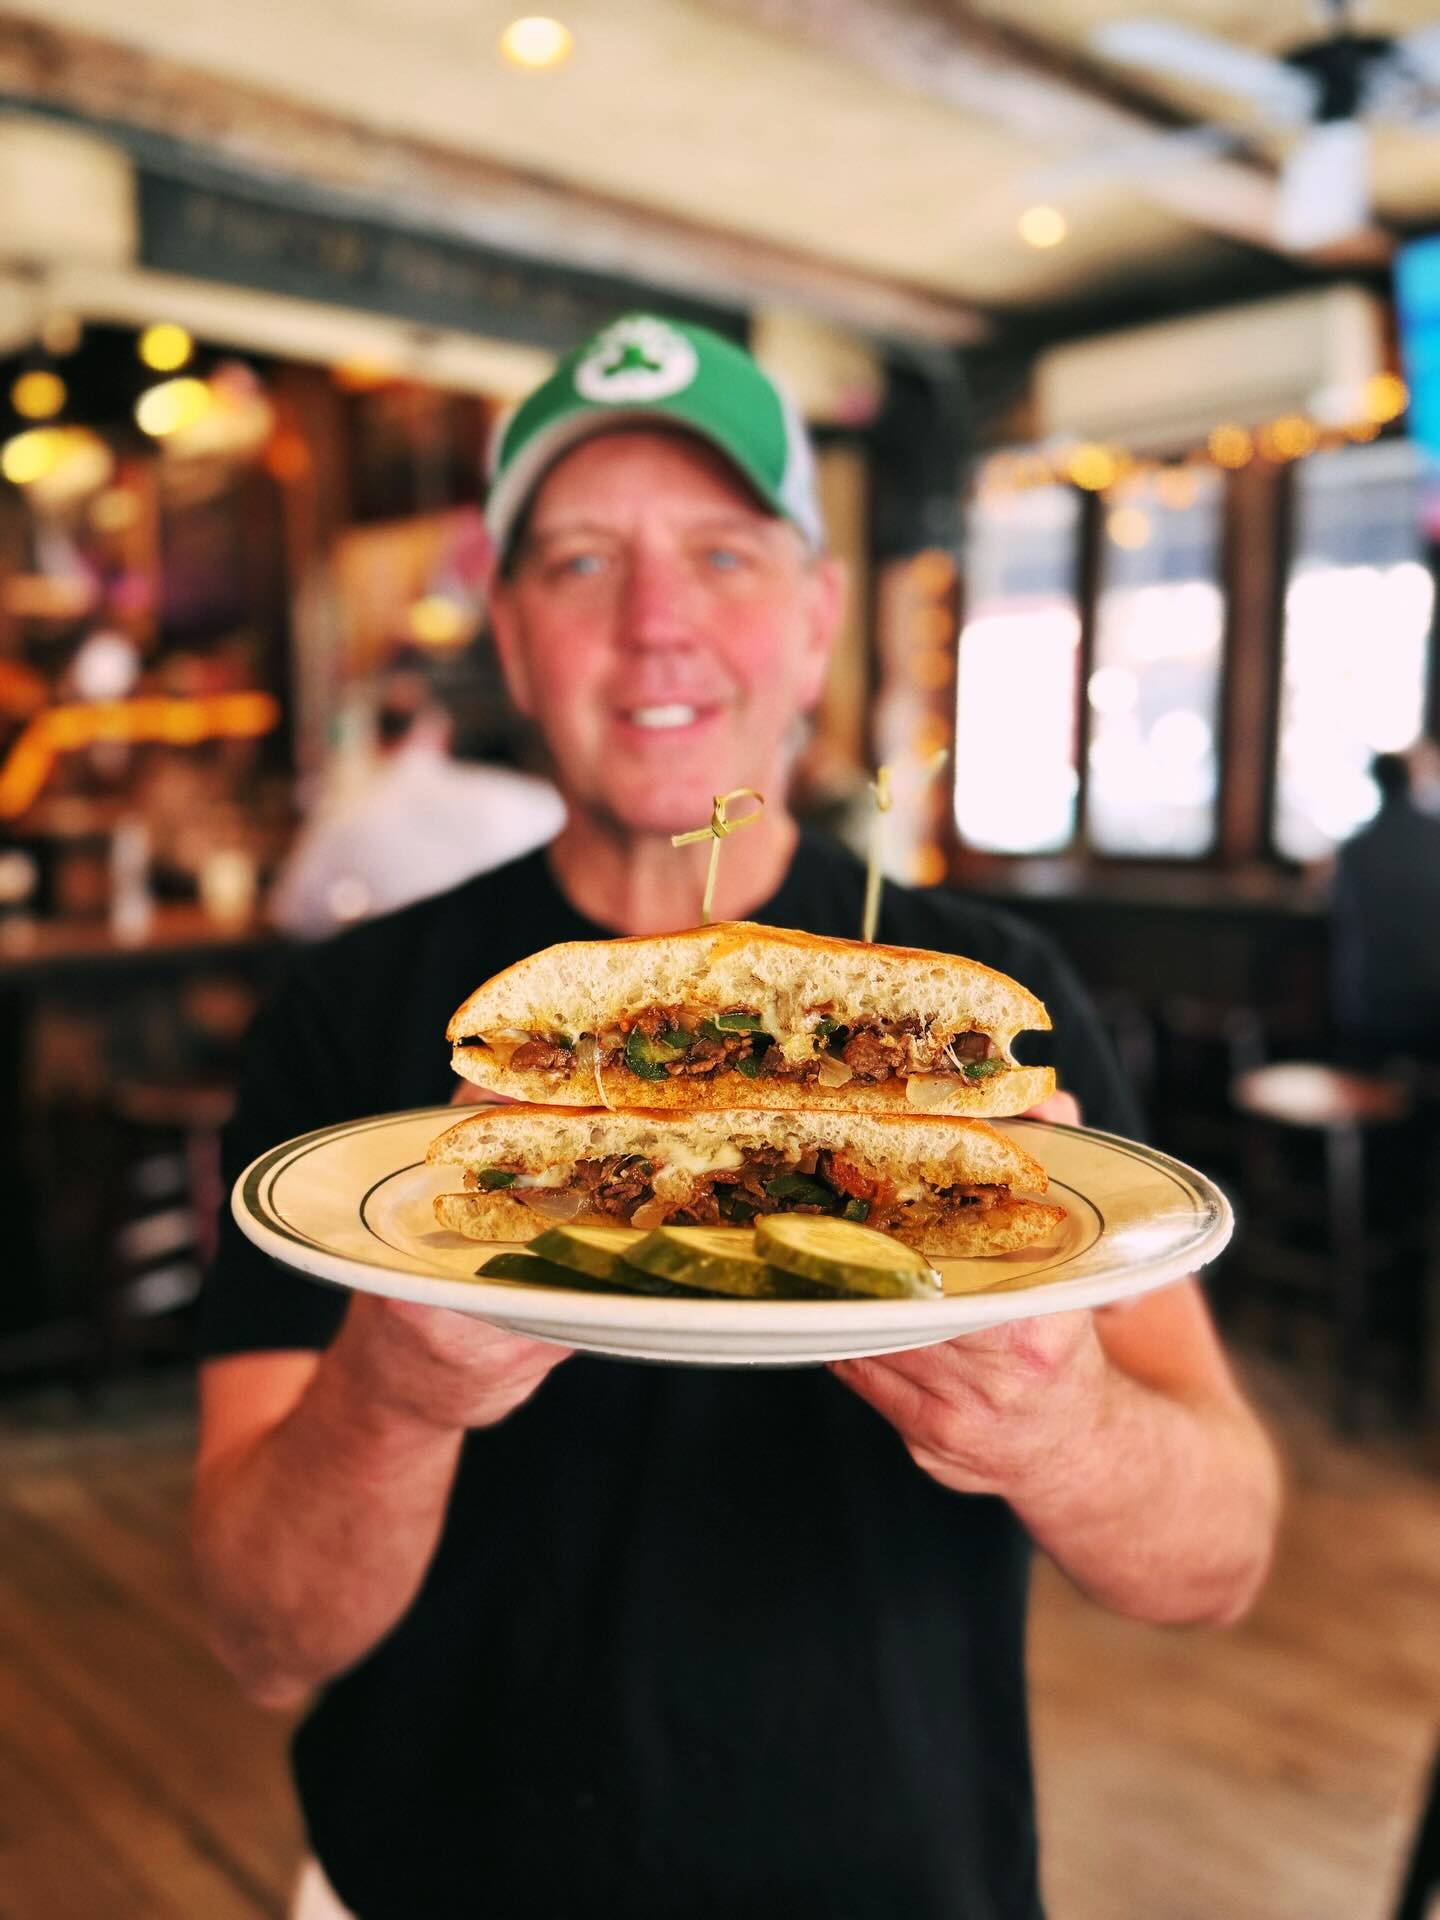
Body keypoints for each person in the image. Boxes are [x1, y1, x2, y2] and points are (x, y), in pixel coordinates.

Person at [193, 314, 1280, 1920]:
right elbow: (261, 1642)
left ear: (819, 616)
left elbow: (1221, 1562)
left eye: (723, 553)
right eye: (577, 562)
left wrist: (1059, 1430)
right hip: (428, 1870)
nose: (656, 626)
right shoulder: (357, 1021)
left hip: (891, 1876)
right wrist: (393, 1393)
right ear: (508, 629)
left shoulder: (995, 989)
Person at [268, 663, 564, 938]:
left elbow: (289, 911)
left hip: (393, 980)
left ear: (377, 740)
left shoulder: (346, 810)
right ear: (442, 732)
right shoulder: (515, 798)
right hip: (504, 969)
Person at [1331, 748, 1440, 1064]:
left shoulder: (1355, 850)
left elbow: (1339, 914)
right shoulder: (1435, 838)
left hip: (1368, 1004)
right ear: (1411, 781)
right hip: (1432, 999)